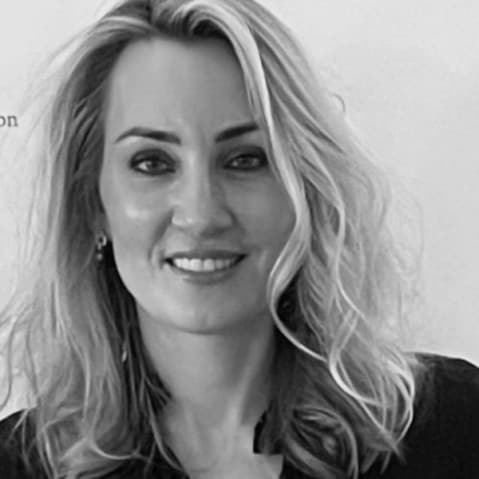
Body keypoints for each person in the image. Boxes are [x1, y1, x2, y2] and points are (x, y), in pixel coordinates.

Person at [0, 0, 478, 478]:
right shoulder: (19, 464)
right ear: (92, 205)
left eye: (245, 159)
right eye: (152, 163)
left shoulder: (453, 425)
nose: (201, 216)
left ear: (304, 189)